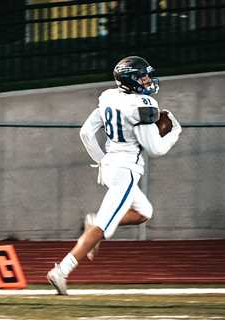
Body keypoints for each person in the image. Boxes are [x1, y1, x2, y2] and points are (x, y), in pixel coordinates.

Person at [47, 56, 182, 295]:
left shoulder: (109, 97)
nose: (147, 80)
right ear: (131, 79)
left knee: (144, 212)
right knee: (102, 227)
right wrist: (174, 132)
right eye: (142, 76)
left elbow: (87, 133)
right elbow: (155, 148)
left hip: (111, 166)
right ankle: (62, 270)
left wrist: (102, 161)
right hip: (125, 171)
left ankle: (94, 223)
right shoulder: (143, 105)